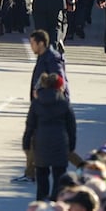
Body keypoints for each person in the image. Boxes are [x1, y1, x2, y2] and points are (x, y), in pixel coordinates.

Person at [22, 72, 77, 203]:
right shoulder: (64, 104)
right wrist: (71, 145)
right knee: (59, 178)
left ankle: (41, 203)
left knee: (42, 176)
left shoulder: (36, 103)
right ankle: (55, 203)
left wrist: (26, 143)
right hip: (60, 143)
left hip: (41, 143)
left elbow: (30, 125)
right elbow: (71, 127)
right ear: (60, 87)